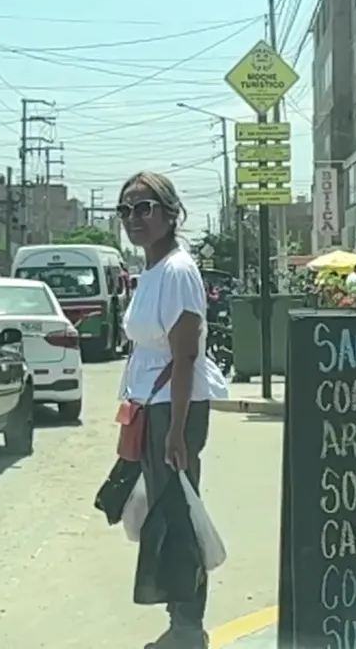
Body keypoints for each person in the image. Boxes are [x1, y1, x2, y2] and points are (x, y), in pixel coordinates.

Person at [116, 171, 228, 649]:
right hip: (151, 407)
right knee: (161, 517)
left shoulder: (178, 272)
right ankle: (179, 622)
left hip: (173, 409)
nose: (134, 218)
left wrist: (177, 431)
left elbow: (185, 356)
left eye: (145, 208)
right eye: (126, 210)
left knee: (178, 519)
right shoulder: (151, 271)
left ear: (170, 213)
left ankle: (187, 629)